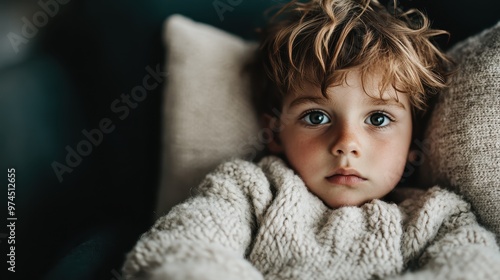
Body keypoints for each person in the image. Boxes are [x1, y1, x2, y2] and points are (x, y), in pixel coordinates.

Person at [122, 0, 500, 279]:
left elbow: (475, 269)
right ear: (274, 132)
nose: (346, 143)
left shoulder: (436, 217)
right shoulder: (247, 191)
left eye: (379, 118)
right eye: (316, 116)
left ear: (413, 144)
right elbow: (182, 248)